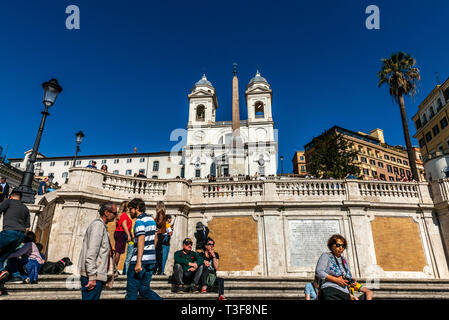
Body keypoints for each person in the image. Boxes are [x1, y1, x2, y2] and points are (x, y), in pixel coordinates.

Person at [78, 201, 117, 300]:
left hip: (95, 275)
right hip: (93, 276)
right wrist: (92, 276)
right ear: (106, 212)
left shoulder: (101, 226)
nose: (115, 216)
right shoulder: (98, 226)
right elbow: (91, 252)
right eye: (114, 213)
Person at [125, 198, 162, 300]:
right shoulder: (151, 220)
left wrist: (138, 262)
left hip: (139, 261)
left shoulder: (139, 221)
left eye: (131, 209)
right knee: (144, 290)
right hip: (150, 260)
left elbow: (141, 239)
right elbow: (156, 239)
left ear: (137, 208)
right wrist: (150, 253)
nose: (129, 211)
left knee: (131, 292)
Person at [0, 191, 30, 281]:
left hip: (9, 232)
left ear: (11, 196)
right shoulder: (25, 208)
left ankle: (1, 270)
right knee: (2, 256)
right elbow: (27, 227)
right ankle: (1, 272)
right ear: (20, 198)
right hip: (20, 236)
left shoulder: (9, 201)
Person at [315, 234, 354, 300]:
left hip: (345, 293)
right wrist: (337, 280)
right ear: (332, 245)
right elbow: (319, 272)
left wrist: (351, 281)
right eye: (338, 245)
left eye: (343, 246)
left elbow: (347, 275)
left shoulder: (344, 259)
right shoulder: (326, 255)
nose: (341, 248)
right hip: (331, 290)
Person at [113, 201, 132, 269]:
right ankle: (114, 268)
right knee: (118, 252)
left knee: (117, 252)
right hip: (121, 233)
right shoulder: (124, 215)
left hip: (118, 232)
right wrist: (128, 235)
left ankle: (114, 267)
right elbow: (124, 225)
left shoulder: (120, 215)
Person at [155, 201, 166, 275]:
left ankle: (159, 269)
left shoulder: (160, 213)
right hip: (161, 234)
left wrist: (154, 220)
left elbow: (160, 223)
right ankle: (159, 269)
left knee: (158, 252)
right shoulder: (163, 213)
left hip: (159, 234)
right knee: (159, 252)